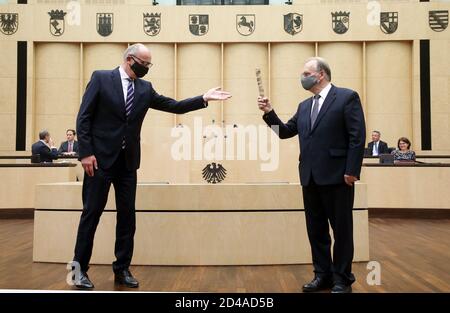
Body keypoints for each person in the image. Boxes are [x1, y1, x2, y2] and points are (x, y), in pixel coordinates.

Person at [72, 43, 231, 290]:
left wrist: (203, 98)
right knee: (91, 214)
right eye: (144, 63)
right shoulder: (101, 78)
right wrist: (86, 153)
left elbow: (173, 105)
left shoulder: (145, 89)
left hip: (127, 163)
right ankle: (79, 271)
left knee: (128, 218)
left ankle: (122, 268)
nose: (147, 68)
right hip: (99, 161)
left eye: (149, 65)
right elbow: (83, 117)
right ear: (130, 59)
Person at [258, 57, 366, 293]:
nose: (302, 77)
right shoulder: (304, 106)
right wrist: (269, 113)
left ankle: (342, 278)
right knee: (316, 231)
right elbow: (285, 132)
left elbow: (357, 137)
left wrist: (352, 171)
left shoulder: (347, 97)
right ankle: (322, 275)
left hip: (339, 177)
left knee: (342, 231)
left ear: (320, 75)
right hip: (310, 177)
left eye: (306, 72)